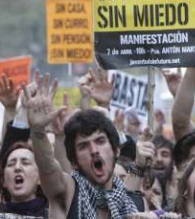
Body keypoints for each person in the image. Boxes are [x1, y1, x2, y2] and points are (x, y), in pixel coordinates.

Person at [23, 78, 155, 219]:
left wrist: (139, 165)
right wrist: (38, 131)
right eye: (83, 146)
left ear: (116, 150)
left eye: (100, 141)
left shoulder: (136, 204)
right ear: (74, 162)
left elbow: (130, 188)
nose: (94, 150)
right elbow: (47, 168)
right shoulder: (67, 192)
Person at [0, 142, 48, 217]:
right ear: (4, 180)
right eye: (11, 164)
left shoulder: (55, 215)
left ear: (40, 178)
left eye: (25, 163)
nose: (17, 167)